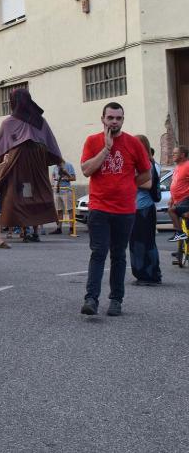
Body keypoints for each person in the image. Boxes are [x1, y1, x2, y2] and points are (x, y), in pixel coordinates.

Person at [79, 102, 150, 317]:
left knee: (118, 255)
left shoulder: (133, 144)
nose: (114, 122)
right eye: (110, 118)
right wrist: (107, 148)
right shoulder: (92, 141)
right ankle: (91, 299)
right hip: (99, 208)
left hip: (125, 210)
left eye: (118, 118)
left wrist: (129, 184)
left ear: (123, 120)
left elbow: (146, 174)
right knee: (98, 252)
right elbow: (86, 170)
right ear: (103, 119)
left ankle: (116, 300)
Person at [0, 88, 62, 235]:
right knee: (35, 193)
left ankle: (25, 230)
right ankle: (35, 231)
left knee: (20, 194)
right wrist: (58, 161)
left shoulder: (8, 123)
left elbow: (0, 149)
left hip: (19, 162)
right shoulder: (40, 121)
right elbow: (51, 143)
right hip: (37, 162)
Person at [128, 136, 162, 286]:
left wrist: (129, 179)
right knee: (140, 243)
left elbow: (148, 184)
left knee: (144, 243)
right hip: (139, 207)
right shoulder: (144, 162)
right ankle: (145, 274)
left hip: (143, 208)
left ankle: (150, 275)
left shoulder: (147, 162)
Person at [167, 146, 189, 242]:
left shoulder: (187, 165)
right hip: (178, 200)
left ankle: (179, 233)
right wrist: (171, 199)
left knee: (172, 211)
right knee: (181, 222)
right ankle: (181, 251)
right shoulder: (178, 167)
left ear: (182, 155)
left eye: (175, 153)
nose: (173, 155)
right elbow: (175, 184)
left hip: (186, 199)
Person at [50, 161, 76, 235]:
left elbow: (74, 178)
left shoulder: (68, 165)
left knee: (70, 210)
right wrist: (52, 184)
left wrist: (66, 177)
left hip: (66, 190)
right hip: (57, 191)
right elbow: (53, 177)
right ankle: (59, 228)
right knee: (59, 210)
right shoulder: (55, 167)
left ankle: (71, 228)